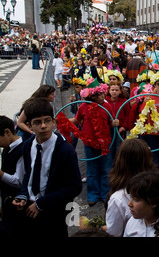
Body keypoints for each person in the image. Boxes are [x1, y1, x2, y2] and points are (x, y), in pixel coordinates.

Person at [12, 98, 82, 237]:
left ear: (54, 122)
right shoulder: (27, 146)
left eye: (47, 120)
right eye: (37, 122)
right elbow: (29, 175)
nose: (43, 126)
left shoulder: (65, 150)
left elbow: (74, 187)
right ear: (29, 126)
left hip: (54, 212)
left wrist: (41, 204)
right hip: (29, 209)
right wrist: (23, 195)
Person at [70, 78, 120, 206]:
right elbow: (76, 120)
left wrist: (115, 123)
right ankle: (93, 194)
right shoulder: (83, 107)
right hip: (89, 143)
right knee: (91, 170)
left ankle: (105, 194)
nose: (101, 96)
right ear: (92, 96)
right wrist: (62, 121)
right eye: (98, 94)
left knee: (106, 168)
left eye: (102, 93)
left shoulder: (107, 106)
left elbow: (111, 121)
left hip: (105, 142)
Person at [129, 71, 159, 184]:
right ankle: (154, 187)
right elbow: (142, 114)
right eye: (158, 84)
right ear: (154, 85)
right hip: (151, 135)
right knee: (154, 163)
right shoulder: (148, 97)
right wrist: (145, 103)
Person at [105, 138, 156, 237]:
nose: (130, 203)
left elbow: (113, 233)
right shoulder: (156, 186)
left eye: (136, 199)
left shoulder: (118, 199)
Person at [0, 115, 25, 235]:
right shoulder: (6, 149)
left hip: (17, 205)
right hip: (7, 204)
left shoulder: (22, 151)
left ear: (7, 132)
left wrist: (0, 174)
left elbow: (18, 181)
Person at [105, 83, 130, 162]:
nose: (114, 92)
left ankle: (118, 165)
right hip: (109, 129)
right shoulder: (105, 101)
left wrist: (124, 126)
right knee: (110, 147)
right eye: (112, 90)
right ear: (109, 91)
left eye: (116, 90)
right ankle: (110, 165)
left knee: (119, 147)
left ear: (120, 91)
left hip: (120, 129)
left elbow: (128, 115)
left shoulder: (124, 101)